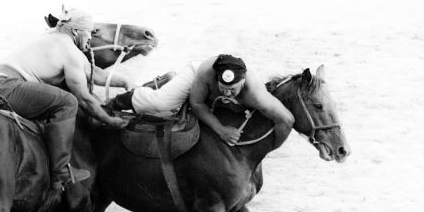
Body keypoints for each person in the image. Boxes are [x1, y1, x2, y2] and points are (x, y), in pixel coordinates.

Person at [0, 7, 130, 193]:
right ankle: (61, 171)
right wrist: (111, 121)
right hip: (6, 87)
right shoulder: (69, 51)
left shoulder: (52, 38)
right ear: (76, 32)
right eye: (88, 33)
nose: (90, 38)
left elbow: (92, 73)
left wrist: (125, 81)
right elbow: (85, 99)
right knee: (68, 101)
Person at [108, 54, 294, 149]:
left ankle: (169, 83)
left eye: (233, 89)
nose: (228, 92)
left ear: (243, 81)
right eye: (223, 87)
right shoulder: (206, 73)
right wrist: (221, 130)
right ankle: (122, 100)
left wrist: (269, 148)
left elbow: (286, 119)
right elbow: (197, 104)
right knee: (161, 105)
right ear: (217, 79)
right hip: (195, 79)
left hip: (215, 89)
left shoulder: (256, 94)